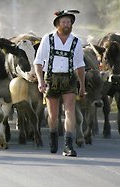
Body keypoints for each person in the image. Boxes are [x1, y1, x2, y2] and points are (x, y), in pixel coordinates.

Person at [34, 9, 86, 157]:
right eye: (63, 22)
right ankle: (53, 137)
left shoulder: (76, 41)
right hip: (51, 78)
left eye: (69, 22)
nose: (66, 25)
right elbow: (38, 62)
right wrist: (40, 81)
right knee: (53, 114)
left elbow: (80, 65)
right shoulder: (48, 39)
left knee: (69, 111)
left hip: (69, 79)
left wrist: (82, 85)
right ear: (57, 24)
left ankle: (68, 145)